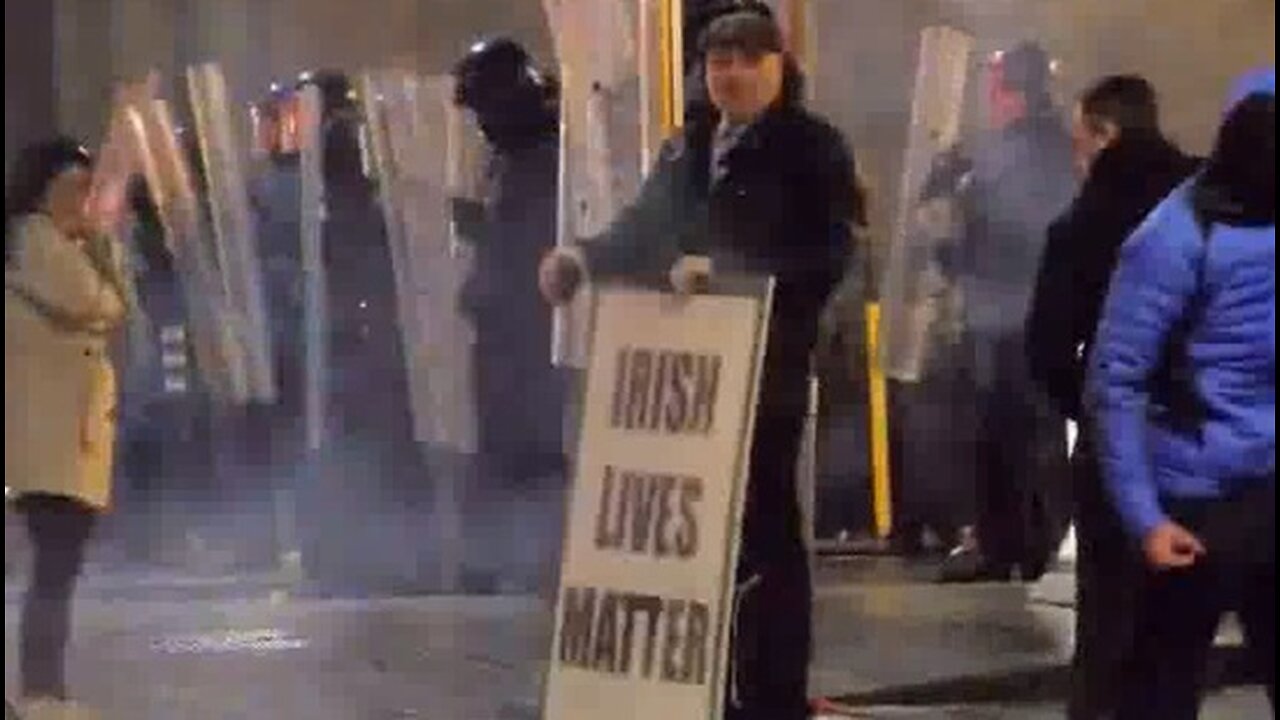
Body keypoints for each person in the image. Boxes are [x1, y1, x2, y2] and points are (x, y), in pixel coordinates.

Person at [539, 7, 863, 718]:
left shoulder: (814, 150)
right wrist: (582, 259)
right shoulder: (687, 147)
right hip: (686, 380)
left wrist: (731, 278)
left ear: (780, 66)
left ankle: (772, 692)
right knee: (683, 532)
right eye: (720, 62)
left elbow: (829, 255)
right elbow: (644, 229)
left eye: (749, 60)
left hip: (764, 374)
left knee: (765, 530)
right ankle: (696, 683)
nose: (733, 75)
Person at [1087, 68, 1274, 719]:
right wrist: (1146, 518)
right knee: (1160, 694)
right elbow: (1115, 381)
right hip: (1194, 502)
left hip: (1265, 486)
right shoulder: (1171, 239)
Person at [1024, 75, 1199, 719]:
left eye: (1079, 145)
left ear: (1104, 135)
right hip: (1213, 455)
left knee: (1108, 629)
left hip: (1117, 458)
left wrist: (1097, 413)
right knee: (1178, 641)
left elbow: (1045, 350)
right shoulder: (1214, 204)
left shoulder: (1081, 225)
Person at [937, 42, 1076, 583]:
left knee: (1009, 437)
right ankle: (1028, 544)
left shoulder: (1008, 156)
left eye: (996, 86)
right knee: (1024, 436)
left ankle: (1015, 546)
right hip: (1029, 314)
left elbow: (991, 230)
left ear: (1011, 91)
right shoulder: (1059, 148)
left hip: (1008, 314)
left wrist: (954, 246)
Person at [5, 138, 132, 713]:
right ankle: (41, 693)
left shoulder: (52, 242)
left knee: (57, 566)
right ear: (44, 189)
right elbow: (95, 302)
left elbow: (116, 303)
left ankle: (44, 691)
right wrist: (100, 245)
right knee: (55, 567)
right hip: (47, 437)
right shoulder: (36, 240)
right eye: (75, 188)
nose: (86, 201)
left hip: (60, 434)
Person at [451, 37, 568, 593]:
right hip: (504, 324)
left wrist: (488, 239)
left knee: (532, 445)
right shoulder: (512, 155)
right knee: (502, 444)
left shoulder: (547, 156)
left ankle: (526, 558)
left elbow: (534, 243)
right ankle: (494, 558)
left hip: (531, 328)